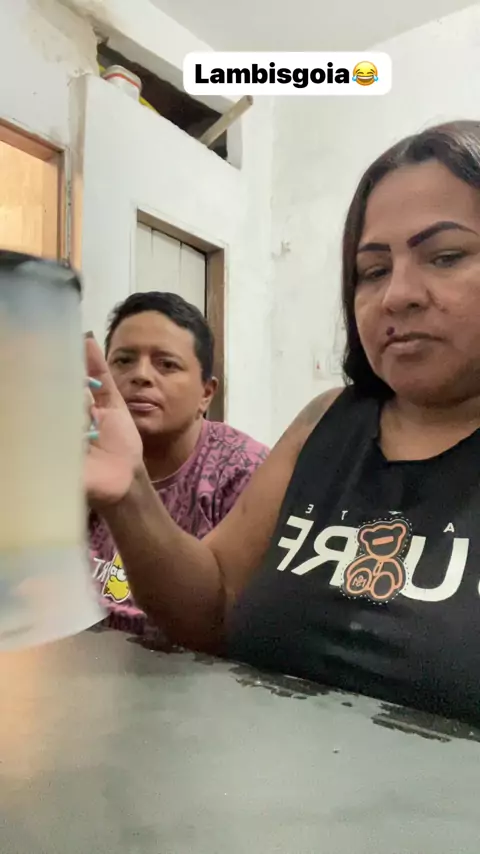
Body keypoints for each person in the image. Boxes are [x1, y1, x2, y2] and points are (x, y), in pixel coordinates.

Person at [86, 119, 480, 725]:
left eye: (445, 256)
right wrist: (130, 490)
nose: (397, 295)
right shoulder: (325, 421)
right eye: (373, 270)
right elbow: (211, 607)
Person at [88, 291, 269, 633]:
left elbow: (236, 622)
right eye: (124, 361)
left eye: (167, 364)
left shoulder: (245, 473)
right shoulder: (82, 455)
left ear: (206, 394)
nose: (141, 375)